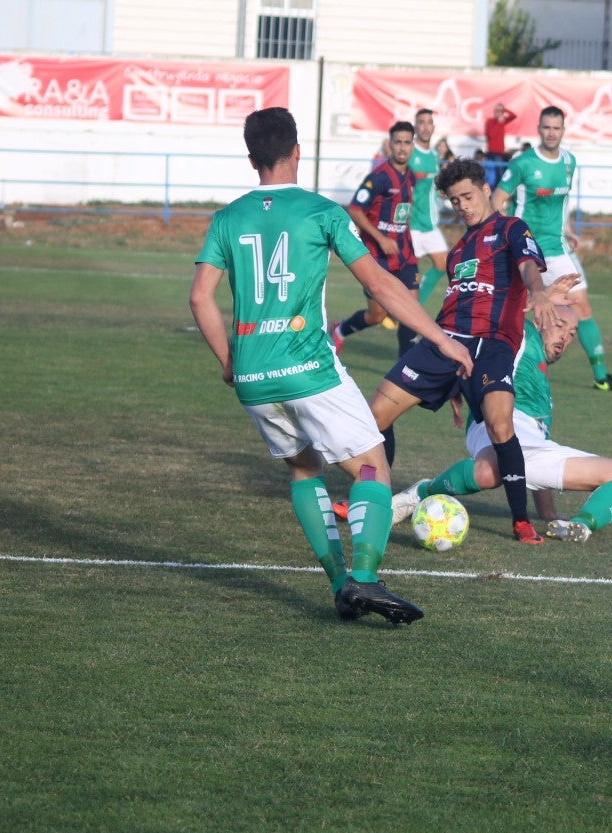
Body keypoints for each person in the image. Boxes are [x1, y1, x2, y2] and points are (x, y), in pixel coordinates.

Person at [188, 107, 473, 624]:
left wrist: (230, 362)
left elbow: (200, 298)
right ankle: (363, 577)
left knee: (303, 467)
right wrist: (442, 340)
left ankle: (342, 585)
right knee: (372, 467)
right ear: (298, 151)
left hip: (254, 376)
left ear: (251, 159)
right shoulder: (321, 212)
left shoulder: (227, 218)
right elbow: (381, 285)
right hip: (308, 366)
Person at [367, 157, 578, 545]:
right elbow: (453, 303)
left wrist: (537, 291)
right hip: (446, 342)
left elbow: (529, 265)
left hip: (493, 345)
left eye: (467, 196)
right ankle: (375, 499)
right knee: (373, 417)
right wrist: (452, 383)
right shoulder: (460, 249)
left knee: (500, 425)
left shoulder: (512, 228)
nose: (462, 206)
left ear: (485, 189)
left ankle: (520, 521)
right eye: (454, 201)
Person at [389, 305, 612, 543]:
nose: (565, 337)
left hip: (530, 442)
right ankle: (419, 493)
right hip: (500, 421)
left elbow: (540, 448)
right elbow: (504, 310)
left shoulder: (541, 380)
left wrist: (547, 512)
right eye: (559, 325)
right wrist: (542, 292)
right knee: (490, 470)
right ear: (538, 321)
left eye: (572, 333)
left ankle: (581, 524)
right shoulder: (522, 336)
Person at [493, 105, 612, 393]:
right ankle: (509, 365)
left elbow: (562, 202)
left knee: (581, 304)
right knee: (515, 308)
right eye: (546, 127)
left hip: (555, 247)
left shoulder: (569, 162)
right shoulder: (523, 163)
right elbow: (497, 201)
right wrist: (506, 235)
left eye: (556, 128)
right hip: (526, 248)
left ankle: (601, 377)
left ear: (563, 131)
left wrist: (565, 229)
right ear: (539, 129)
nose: (551, 133)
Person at [329, 120, 418, 357]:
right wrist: (381, 239)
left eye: (407, 143)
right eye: (397, 142)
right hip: (378, 258)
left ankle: (405, 372)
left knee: (411, 313)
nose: (402, 147)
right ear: (390, 145)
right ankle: (339, 330)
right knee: (376, 316)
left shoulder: (411, 177)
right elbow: (355, 210)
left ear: (412, 145)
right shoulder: (379, 177)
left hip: (405, 255)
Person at [408, 108, 448, 308]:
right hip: (412, 224)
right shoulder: (409, 153)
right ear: (415, 127)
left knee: (442, 264)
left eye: (429, 122)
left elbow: (433, 187)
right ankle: (396, 311)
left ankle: (415, 307)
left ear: (433, 127)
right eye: (421, 122)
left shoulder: (433, 155)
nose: (425, 126)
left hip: (430, 225)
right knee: (407, 275)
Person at [483, 102, 517, 185]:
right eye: (496, 110)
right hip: (492, 153)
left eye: (500, 111)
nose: (498, 112)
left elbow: (514, 116)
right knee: (493, 177)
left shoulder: (502, 121)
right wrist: (499, 123)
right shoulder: (490, 121)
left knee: (501, 175)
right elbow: (491, 135)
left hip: (500, 153)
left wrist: (504, 109)